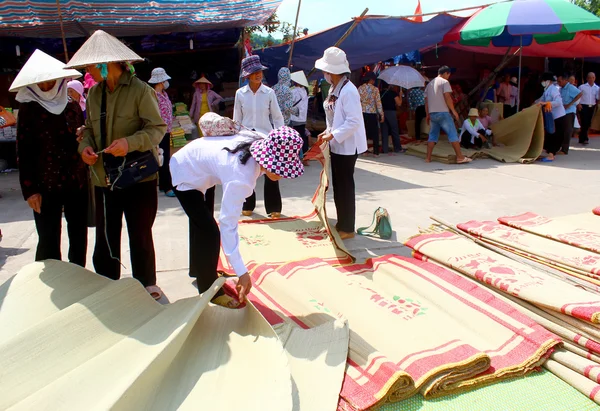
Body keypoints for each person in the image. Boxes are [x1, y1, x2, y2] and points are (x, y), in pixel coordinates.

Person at [68, 30, 167, 300]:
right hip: (103, 177)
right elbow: (88, 129)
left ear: (106, 63)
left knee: (140, 234)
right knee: (107, 236)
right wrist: (84, 147)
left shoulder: (140, 91)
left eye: (90, 65)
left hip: (139, 178)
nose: (88, 70)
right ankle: (107, 284)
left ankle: (146, 283)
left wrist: (130, 142)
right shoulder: (94, 93)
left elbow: (157, 129)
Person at [170, 116, 304, 307]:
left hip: (202, 165)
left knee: (202, 225)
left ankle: (200, 270)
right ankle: (210, 292)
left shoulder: (260, 140)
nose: (283, 174)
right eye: (282, 168)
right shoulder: (241, 177)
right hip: (185, 171)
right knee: (209, 231)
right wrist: (242, 272)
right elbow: (228, 223)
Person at [11, 50, 88, 266]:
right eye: (41, 83)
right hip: (44, 184)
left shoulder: (71, 104)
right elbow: (23, 151)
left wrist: (83, 132)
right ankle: (54, 279)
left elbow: (82, 135)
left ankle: (78, 275)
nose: (46, 87)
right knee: (48, 238)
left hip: (76, 181)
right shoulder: (28, 109)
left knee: (78, 234)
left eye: (50, 81)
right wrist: (30, 190)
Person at [315, 47, 367, 240]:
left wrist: (334, 134)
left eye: (326, 70)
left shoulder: (349, 91)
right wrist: (328, 132)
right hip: (337, 143)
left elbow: (353, 121)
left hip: (347, 145)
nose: (324, 74)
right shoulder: (334, 89)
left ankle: (348, 227)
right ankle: (342, 222)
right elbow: (334, 117)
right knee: (338, 184)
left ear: (332, 71)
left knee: (345, 185)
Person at [233, 55, 285, 219]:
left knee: (271, 172)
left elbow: (277, 117)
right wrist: (235, 138)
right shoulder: (240, 94)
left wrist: (280, 136)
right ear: (247, 75)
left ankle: (274, 208)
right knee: (248, 172)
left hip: (266, 137)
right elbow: (237, 119)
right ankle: (247, 205)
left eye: (259, 71)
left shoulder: (269, 93)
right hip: (246, 137)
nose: (258, 74)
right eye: (254, 72)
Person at [424, 66, 472, 164]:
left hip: (433, 114)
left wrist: (427, 114)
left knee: (432, 136)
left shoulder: (429, 84)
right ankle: (460, 157)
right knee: (452, 134)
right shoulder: (444, 82)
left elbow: (426, 102)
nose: (449, 77)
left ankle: (428, 158)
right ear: (446, 73)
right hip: (443, 113)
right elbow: (448, 97)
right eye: (449, 75)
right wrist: (453, 111)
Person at [148, 67, 175, 197]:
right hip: (158, 132)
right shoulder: (153, 95)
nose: (166, 82)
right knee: (161, 159)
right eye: (164, 80)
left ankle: (165, 185)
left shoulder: (164, 94)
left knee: (165, 158)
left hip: (167, 130)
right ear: (160, 81)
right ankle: (167, 187)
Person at [536, 72, 566, 162]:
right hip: (552, 117)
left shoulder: (554, 89)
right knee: (550, 134)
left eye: (543, 81)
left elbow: (558, 102)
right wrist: (531, 106)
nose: (542, 82)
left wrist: (546, 103)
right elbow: (540, 100)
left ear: (548, 81)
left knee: (555, 135)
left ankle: (551, 155)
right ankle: (549, 151)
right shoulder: (547, 90)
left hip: (559, 116)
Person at [358, 72, 384, 156]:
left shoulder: (360, 88)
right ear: (371, 80)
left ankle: (364, 150)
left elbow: (357, 101)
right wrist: (381, 114)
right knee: (375, 132)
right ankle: (376, 151)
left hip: (362, 112)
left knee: (363, 131)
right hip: (372, 112)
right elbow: (378, 103)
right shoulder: (375, 89)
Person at [557, 74, 582, 155]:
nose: (558, 83)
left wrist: (570, 104)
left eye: (560, 81)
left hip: (569, 111)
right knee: (562, 129)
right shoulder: (561, 88)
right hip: (562, 111)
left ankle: (565, 149)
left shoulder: (570, 87)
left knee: (568, 130)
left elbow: (580, 94)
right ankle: (560, 147)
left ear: (565, 80)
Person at [290, 70, 310, 162]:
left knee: (295, 137)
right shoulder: (305, 91)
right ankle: (305, 156)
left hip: (294, 117)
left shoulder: (294, 91)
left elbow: (290, 103)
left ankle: (297, 156)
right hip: (302, 118)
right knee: (302, 136)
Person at [380, 83, 405, 153]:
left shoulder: (380, 93)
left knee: (384, 131)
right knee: (394, 130)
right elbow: (399, 103)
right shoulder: (393, 93)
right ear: (389, 86)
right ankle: (398, 148)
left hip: (382, 112)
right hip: (391, 112)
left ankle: (385, 149)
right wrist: (400, 95)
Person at [578, 72, 599, 145]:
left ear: (594, 78)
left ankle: (581, 137)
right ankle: (585, 138)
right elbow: (578, 96)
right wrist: (578, 104)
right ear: (587, 78)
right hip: (583, 106)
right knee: (584, 122)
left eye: (592, 78)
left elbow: (597, 98)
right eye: (589, 78)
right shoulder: (582, 87)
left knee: (588, 123)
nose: (591, 79)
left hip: (592, 107)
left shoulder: (597, 88)